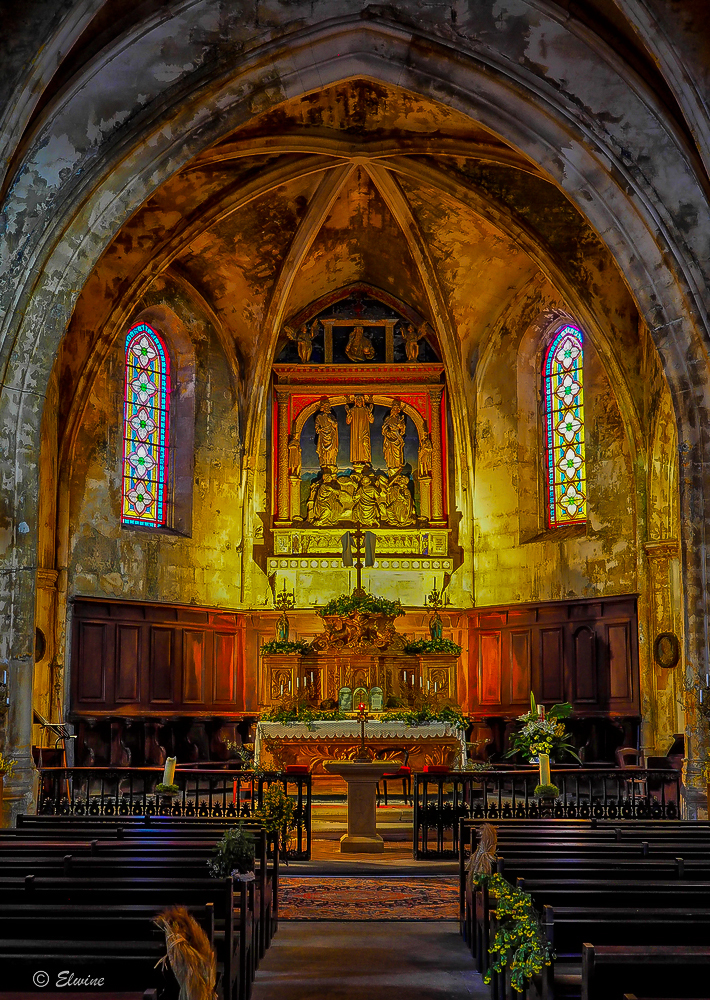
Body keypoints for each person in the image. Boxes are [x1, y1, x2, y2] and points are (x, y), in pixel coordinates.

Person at [345, 394, 374, 464]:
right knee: (356, 445)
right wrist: (348, 414)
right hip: (356, 432)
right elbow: (348, 422)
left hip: (364, 431)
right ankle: (356, 461)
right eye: (357, 400)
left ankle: (366, 459)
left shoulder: (366, 410)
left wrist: (370, 413)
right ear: (355, 401)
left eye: (360, 400)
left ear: (363, 401)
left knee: (365, 444)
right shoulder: (352, 410)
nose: (358, 401)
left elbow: (371, 420)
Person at [382, 398, 406, 471]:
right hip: (389, 438)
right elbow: (384, 429)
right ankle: (391, 467)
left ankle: (397, 467)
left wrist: (400, 426)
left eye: (397, 408)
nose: (395, 410)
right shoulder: (388, 418)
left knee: (397, 454)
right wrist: (387, 432)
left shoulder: (400, 419)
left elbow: (402, 430)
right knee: (389, 454)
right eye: (394, 408)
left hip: (397, 437)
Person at [314, 398, 339, 468]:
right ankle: (324, 464)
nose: (327, 408)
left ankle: (331, 463)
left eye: (328, 407)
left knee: (331, 451)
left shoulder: (332, 416)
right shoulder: (319, 417)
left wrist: (331, 421)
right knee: (323, 452)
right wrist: (319, 429)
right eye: (326, 406)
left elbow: (335, 425)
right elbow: (317, 426)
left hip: (331, 435)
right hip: (323, 436)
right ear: (323, 407)